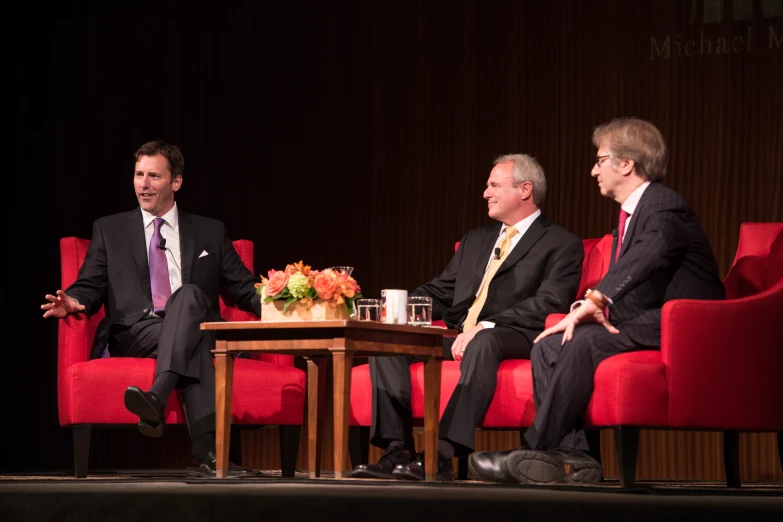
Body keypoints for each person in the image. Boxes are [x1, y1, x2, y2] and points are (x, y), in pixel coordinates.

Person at [468, 117, 726, 485]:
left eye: (600, 160)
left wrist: (596, 299)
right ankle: (576, 457)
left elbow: (647, 256)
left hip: (685, 322)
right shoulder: (630, 214)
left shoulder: (664, 206)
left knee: (584, 341)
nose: (593, 170)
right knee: (548, 344)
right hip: (646, 317)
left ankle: (537, 447)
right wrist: (585, 309)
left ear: (626, 164)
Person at [351, 154, 584, 481]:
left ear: (525, 190)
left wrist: (486, 325)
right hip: (459, 333)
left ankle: (442, 454)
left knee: (485, 340)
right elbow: (441, 292)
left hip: (517, 334)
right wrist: (390, 308)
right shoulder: (476, 240)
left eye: (494, 185)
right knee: (389, 338)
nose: (485, 193)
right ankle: (397, 450)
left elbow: (550, 302)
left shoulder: (561, 243)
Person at [41, 140, 261, 477]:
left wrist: (286, 303)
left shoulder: (209, 231)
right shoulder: (110, 229)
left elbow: (244, 288)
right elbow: (91, 282)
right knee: (194, 339)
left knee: (188, 301)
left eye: (154, 176)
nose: (143, 184)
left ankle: (157, 397)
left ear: (176, 182)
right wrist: (72, 300)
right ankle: (206, 454)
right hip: (136, 331)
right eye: (139, 175)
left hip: (199, 328)